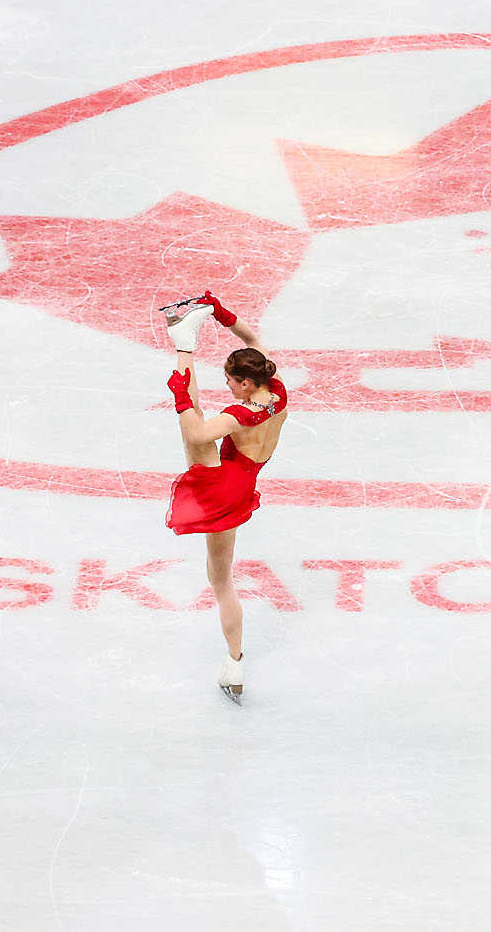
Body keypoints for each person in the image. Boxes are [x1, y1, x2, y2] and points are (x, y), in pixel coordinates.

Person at [160, 291, 288, 705]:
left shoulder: (240, 414)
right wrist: (220, 312)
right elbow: (249, 336)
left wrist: (180, 392)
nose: (228, 386)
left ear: (246, 383)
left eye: (231, 381)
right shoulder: (278, 391)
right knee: (222, 581)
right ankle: (234, 663)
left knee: (194, 435)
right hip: (245, 481)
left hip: (225, 488)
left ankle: (184, 347)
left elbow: (198, 433)